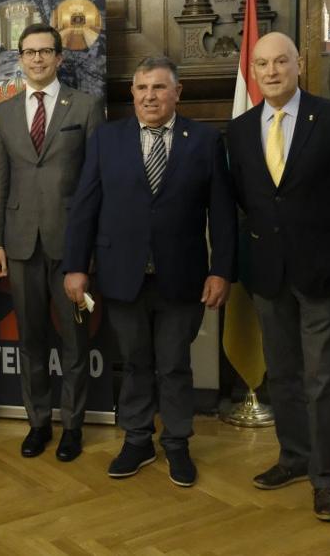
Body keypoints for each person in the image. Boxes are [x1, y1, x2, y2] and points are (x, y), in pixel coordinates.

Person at [63, 57, 236, 482]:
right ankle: (137, 439)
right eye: (141, 88)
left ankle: (177, 443)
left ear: (177, 93)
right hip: (123, 275)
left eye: (159, 88)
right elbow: (85, 207)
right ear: (132, 94)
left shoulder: (205, 140)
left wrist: (221, 271)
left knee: (174, 363)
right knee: (136, 361)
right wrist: (75, 267)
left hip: (183, 275)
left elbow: (224, 213)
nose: (149, 96)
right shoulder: (107, 139)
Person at [226, 32, 330, 521]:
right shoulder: (241, 130)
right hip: (268, 274)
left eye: (281, 62)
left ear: (299, 64)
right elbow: (249, 201)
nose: (271, 71)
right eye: (262, 63)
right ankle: (293, 457)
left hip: (325, 274)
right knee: (282, 373)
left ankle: (326, 479)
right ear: (254, 71)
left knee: (324, 378)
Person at [0, 22, 105, 462]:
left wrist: (90, 247)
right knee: (31, 340)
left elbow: (95, 184)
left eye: (45, 51)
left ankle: (72, 426)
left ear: (59, 57)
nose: (37, 59)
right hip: (19, 245)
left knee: (75, 342)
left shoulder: (87, 107)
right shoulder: (3, 113)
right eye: (29, 52)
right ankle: (38, 422)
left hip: (70, 246)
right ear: (20, 59)